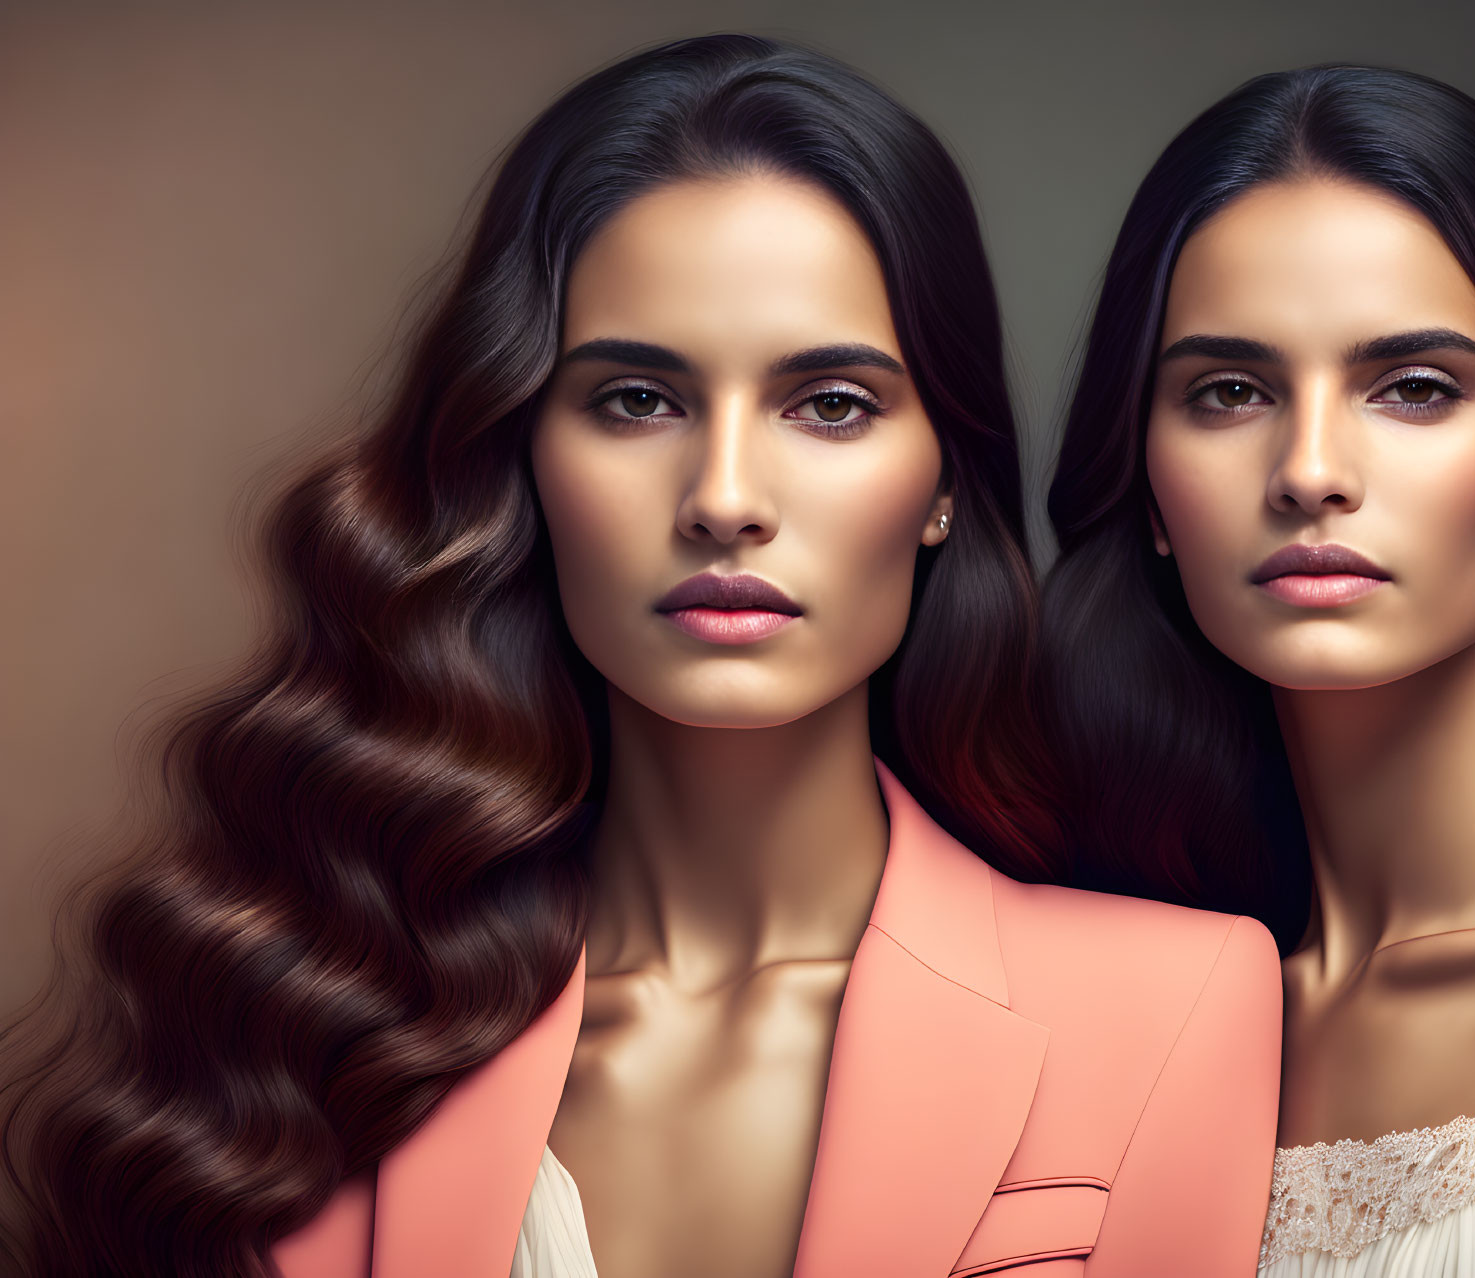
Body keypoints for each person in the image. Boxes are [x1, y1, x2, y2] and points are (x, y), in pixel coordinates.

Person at [1, 36, 1279, 1278]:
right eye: (635, 401)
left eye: (829, 404)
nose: (724, 497)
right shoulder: (317, 1025)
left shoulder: (1172, 1004)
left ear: (943, 475)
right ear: (524, 456)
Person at [1041, 64, 1475, 1277]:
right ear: (1150, 493)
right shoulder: (1141, 1016)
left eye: (1411, 388)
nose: (1308, 469)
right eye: (1228, 391)